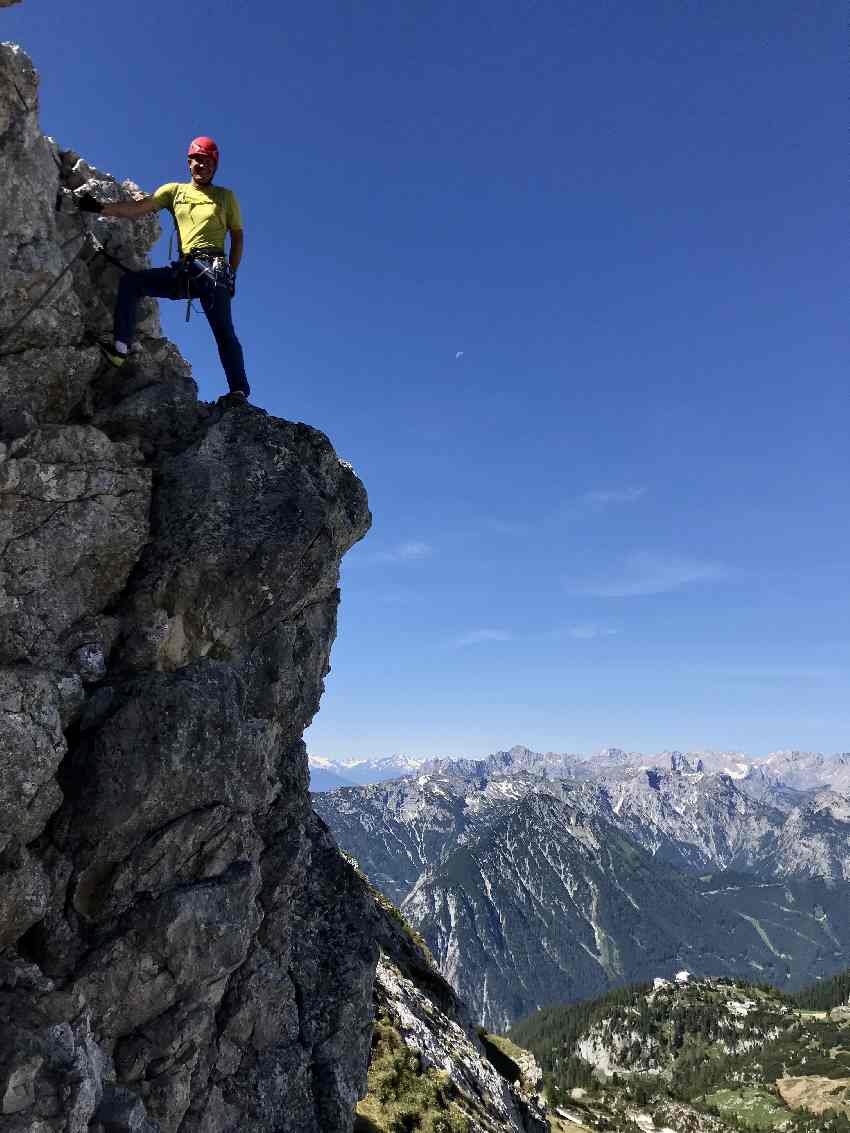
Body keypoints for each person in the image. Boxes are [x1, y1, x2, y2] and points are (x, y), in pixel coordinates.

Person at [78, 136, 250, 401]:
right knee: (132, 282)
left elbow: (237, 237)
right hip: (186, 273)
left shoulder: (225, 197)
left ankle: (239, 391)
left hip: (213, 272)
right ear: (189, 162)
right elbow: (137, 209)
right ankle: (120, 349)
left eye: (207, 162)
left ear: (215, 166)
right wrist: (99, 207)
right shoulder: (174, 192)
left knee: (224, 332)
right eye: (197, 161)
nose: (202, 166)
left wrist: (232, 273)